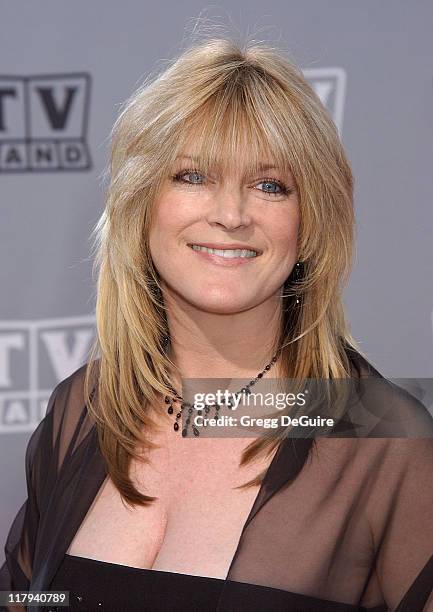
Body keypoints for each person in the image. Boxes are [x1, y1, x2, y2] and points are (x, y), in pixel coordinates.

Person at [1, 36, 433, 612]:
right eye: (193, 176)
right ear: (141, 203)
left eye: (269, 185)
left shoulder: (385, 440)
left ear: (310, 224)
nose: (230, 214)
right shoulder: (84, 409)